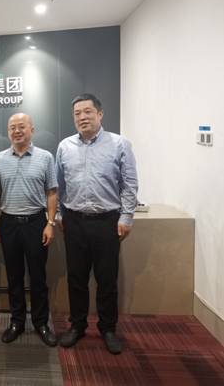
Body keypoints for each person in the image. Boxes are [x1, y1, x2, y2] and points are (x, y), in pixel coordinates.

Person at [56, 93, 138, 354]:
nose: (82, 117)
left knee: (106, 279)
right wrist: (59, 215)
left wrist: (126, 217)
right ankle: (77, 325)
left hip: (106, 222)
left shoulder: (119, 144)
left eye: (87, 112)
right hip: (74, 221)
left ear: (100, 114)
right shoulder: (65, 146)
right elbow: (59, 184)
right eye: (77, 113)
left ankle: (108, 328)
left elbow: (129, 184)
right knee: (76, 278)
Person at [0, 113, 58, 347]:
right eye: (12, 127)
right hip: (8, 223)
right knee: (14, 276)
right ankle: (16, 322)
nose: (17, 131)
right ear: (8, 132)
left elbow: (52, 192)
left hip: (36, 222)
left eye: (21, 126)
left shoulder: (45, 157)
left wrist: (50, 223)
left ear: (32, 129)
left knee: (38, 276)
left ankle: (41, 323)